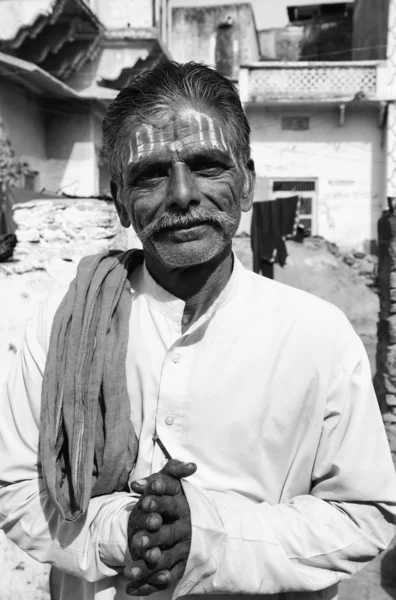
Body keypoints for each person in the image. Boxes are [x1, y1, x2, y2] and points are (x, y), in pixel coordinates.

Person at [0, 61, 396, 600]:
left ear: (247, 182)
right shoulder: (64, 323)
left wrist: (211, 537)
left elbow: (365, 513)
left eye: (208, 165)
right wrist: (123, 530)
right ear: (120, 200)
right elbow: (17, 486)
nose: (182, 194)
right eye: (152, 174)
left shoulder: (317, 337)